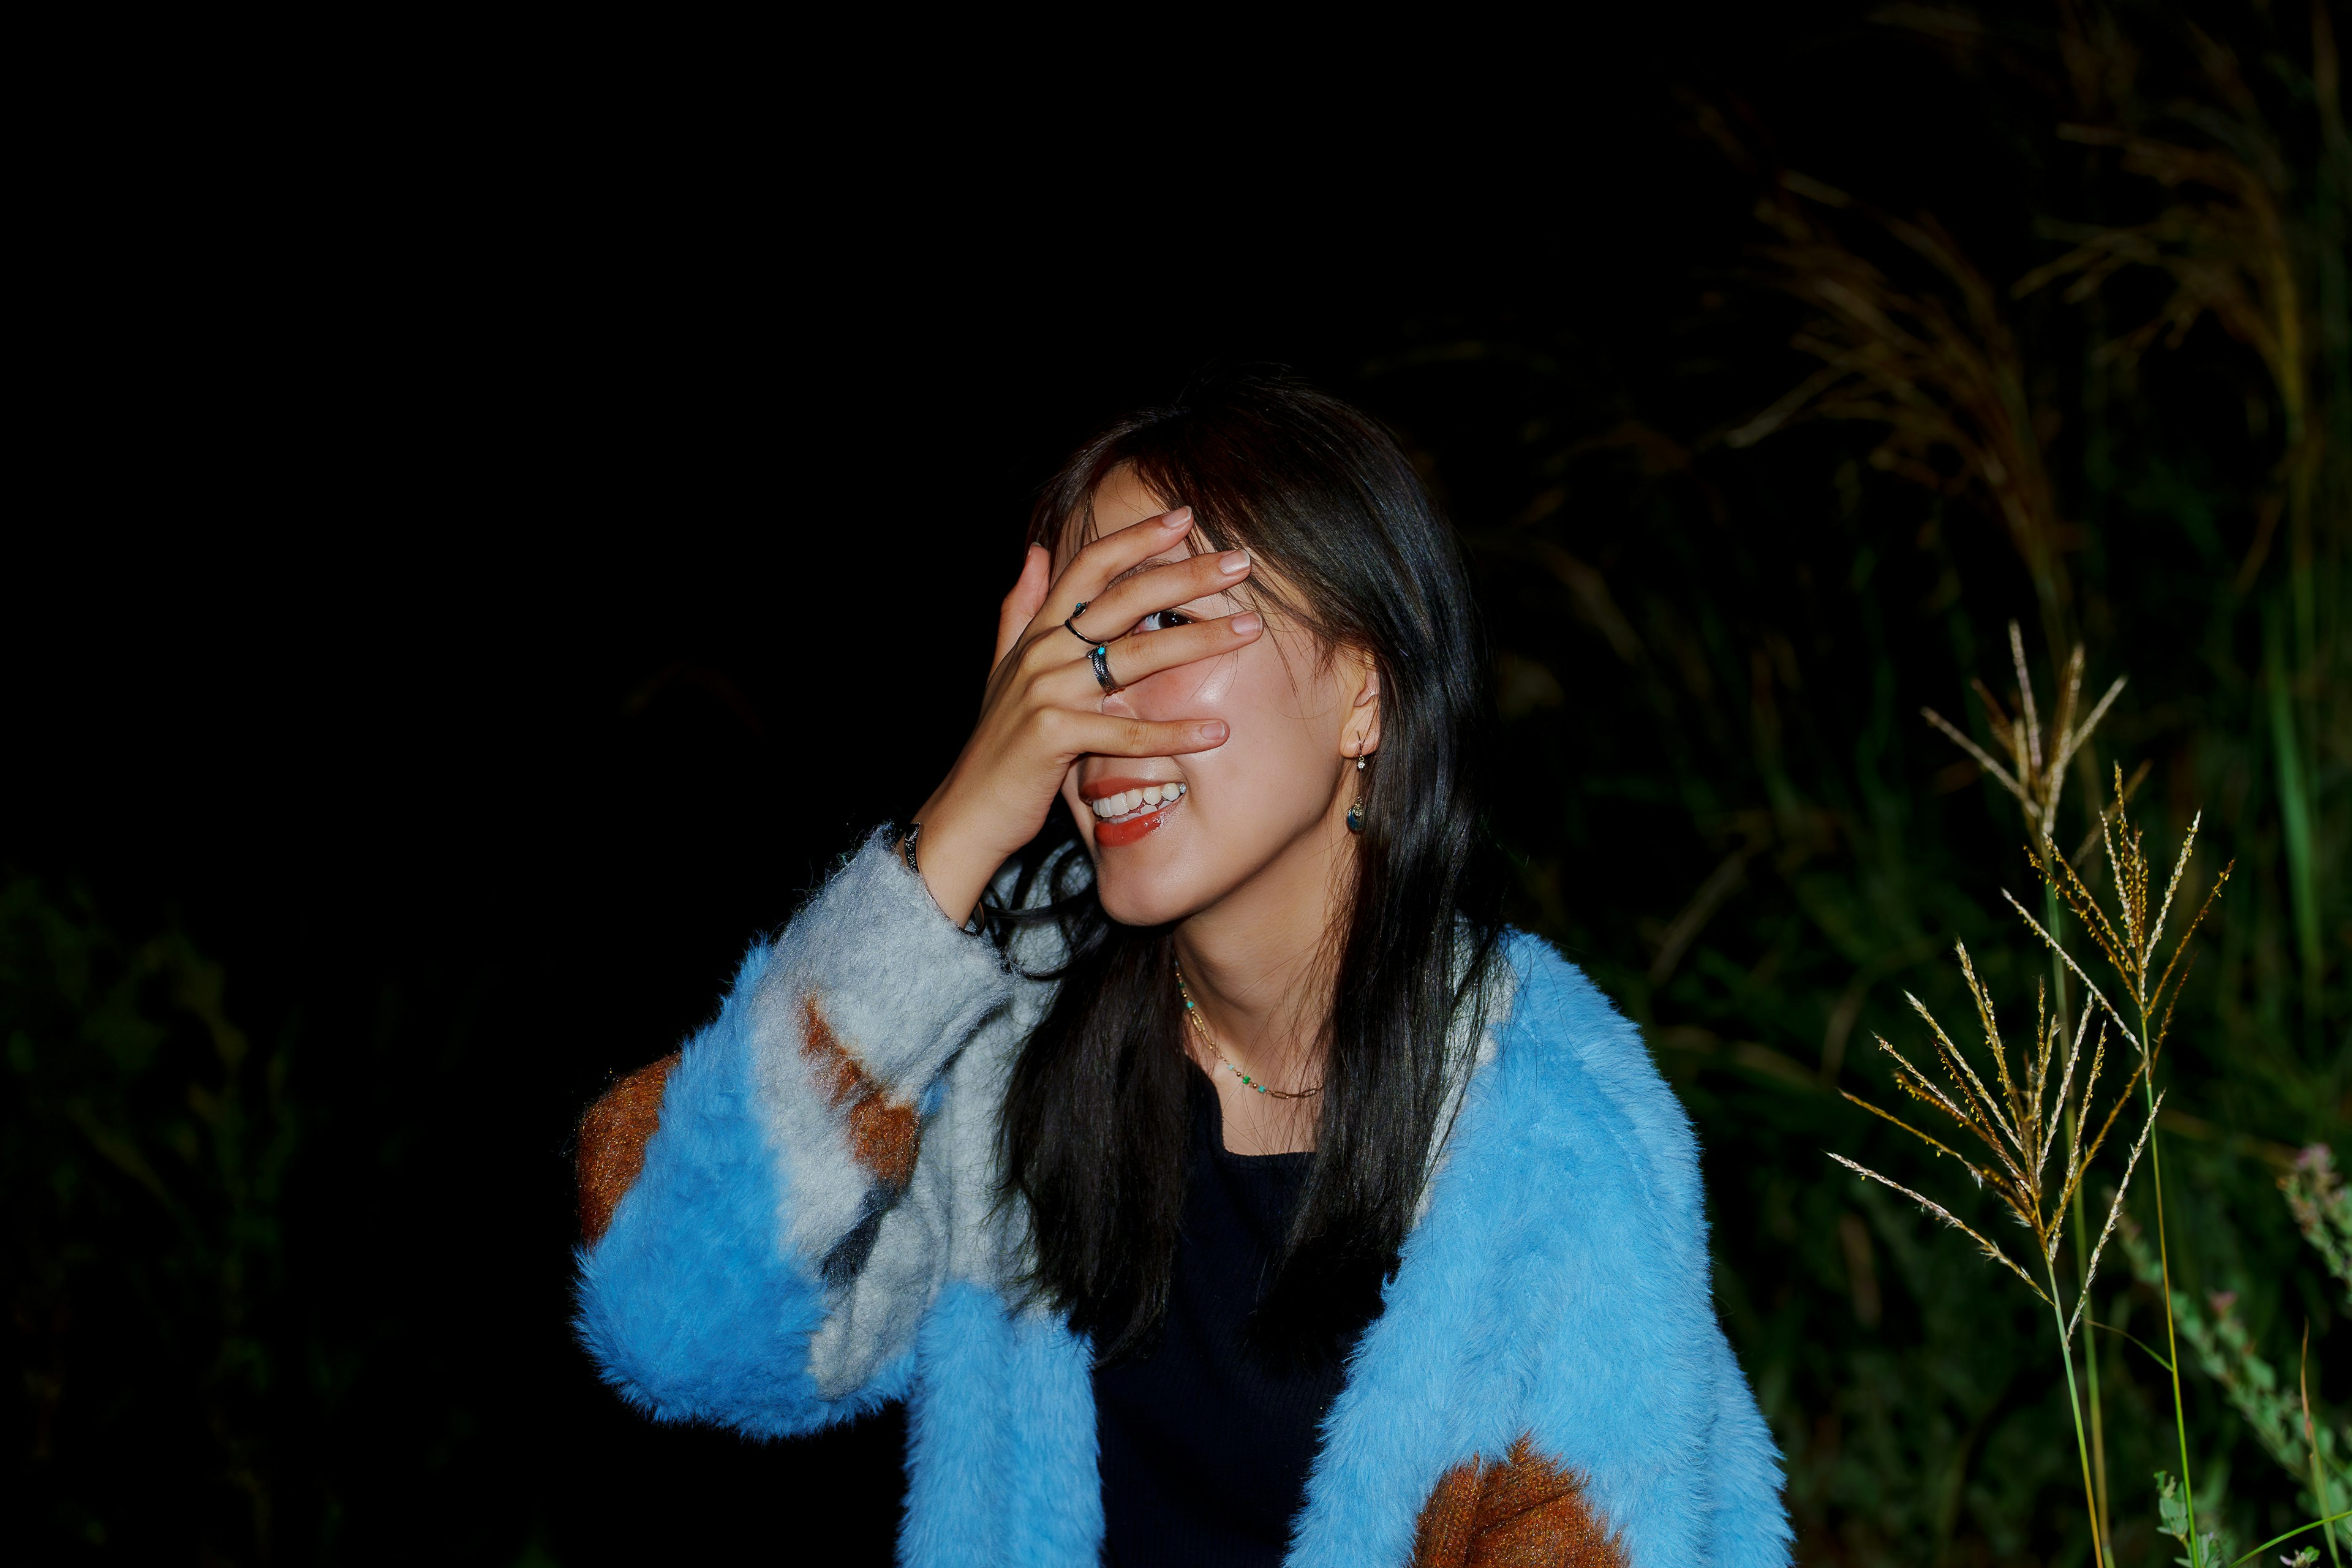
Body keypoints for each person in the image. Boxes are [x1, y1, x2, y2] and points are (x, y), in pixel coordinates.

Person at [571, 374, 1790, 1567]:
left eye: (1167, 616)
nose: (1098, 695)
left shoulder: (1543, 1136)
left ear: (1365, 688)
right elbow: (671, 1319)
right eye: (1078, 636)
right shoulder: (1001, 1050)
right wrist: (952, 840)